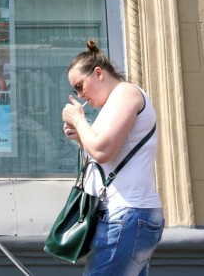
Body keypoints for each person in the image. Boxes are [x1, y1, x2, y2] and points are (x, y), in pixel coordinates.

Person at [62, 40, 164, 275]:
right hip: (127, 214)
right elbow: (109, 155)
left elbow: (102, 151)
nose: (80, 95)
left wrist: (79, 120)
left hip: (126, 213)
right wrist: (80, 135)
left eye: (80, 86)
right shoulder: (115, 102)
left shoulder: (126, 93)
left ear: (98, 73)